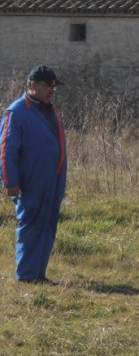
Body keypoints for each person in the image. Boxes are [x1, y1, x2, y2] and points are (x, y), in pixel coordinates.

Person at [0, 65, 67, 283]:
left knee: (47, 225)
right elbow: (6, 150)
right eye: (47, 85)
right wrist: (10, 181)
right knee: (30, 226)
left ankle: (39, 274)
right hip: (30, 182)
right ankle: (27, 275)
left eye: (54, 86)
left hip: (53, 180)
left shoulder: (50, 110)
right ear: (32, 85)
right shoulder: (17, 111)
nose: (52, 90)